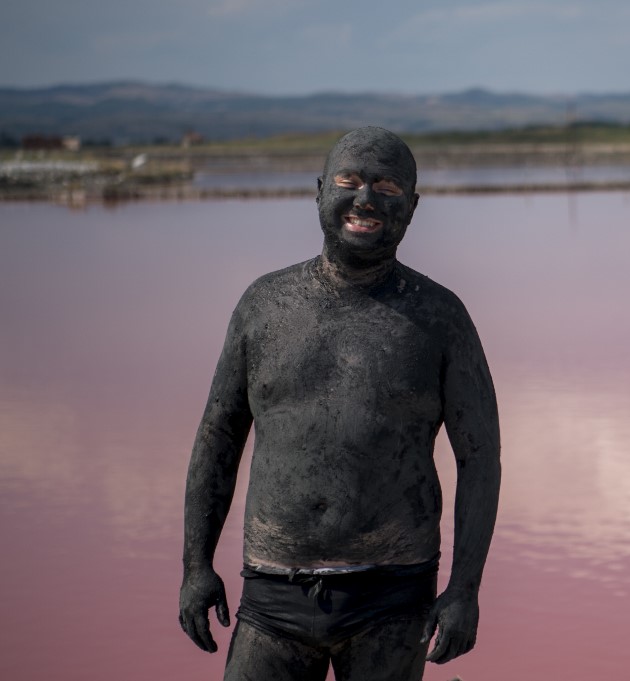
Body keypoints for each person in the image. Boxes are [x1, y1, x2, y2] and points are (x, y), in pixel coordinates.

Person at [178, 126, 501, 681]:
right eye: (349, 181)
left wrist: (464, 591)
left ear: (413, 206)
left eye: (387, 187)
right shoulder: (265, 306)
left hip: (394, 597)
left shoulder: (440, 317)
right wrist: (195, 566)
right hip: (272, 595)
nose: (366, 199)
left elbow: (480, 460)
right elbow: (218, 439)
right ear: (321, 190)